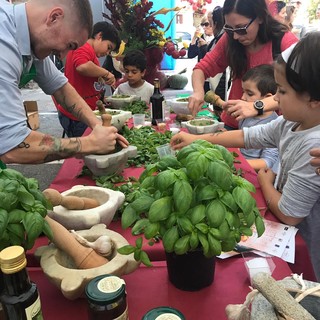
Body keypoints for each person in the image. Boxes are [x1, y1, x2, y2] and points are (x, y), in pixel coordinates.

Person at [171, 32, 320, 281]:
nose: (273, 100)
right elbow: (247, 137)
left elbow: (290, 212)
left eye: (281, 92)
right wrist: (196, 140)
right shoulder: (290, 123)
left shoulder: (313, 144)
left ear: (313, 99)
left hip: (304, 240)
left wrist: (265, 179)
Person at [0, 0, 128, 165]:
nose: (63, 56)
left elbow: (60, 87)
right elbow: (13, 147)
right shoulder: (4, 46)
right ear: (54, 17)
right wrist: (88, 144)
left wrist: (97, 126)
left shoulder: (31, 38)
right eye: (69, 45)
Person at [188, 0, 298, 130]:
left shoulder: (285, 42)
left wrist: (256, 106)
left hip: (271, 132)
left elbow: (300, 91)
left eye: (241, 28)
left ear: (260, 18)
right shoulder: (230, 40)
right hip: (234, 124)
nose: (235, 36)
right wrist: (198, 92)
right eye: (229, 29)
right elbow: (202, 68)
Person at [55, 21, 121, 137]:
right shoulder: (84, 47)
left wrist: (99, 97)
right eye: (108, 47)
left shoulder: (89, 52)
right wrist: (106, 73)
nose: (107, 53)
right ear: (99, 36)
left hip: (83, 114)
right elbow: (82, 66)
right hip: (77, 117)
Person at [238, 64, 278, 172]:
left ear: (267, 98)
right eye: (243, 91)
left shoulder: (274, 125)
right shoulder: (246, 116)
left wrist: (238, 164)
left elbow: (268, 162)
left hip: (255, 173)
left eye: (249, 94)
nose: (242, 97)